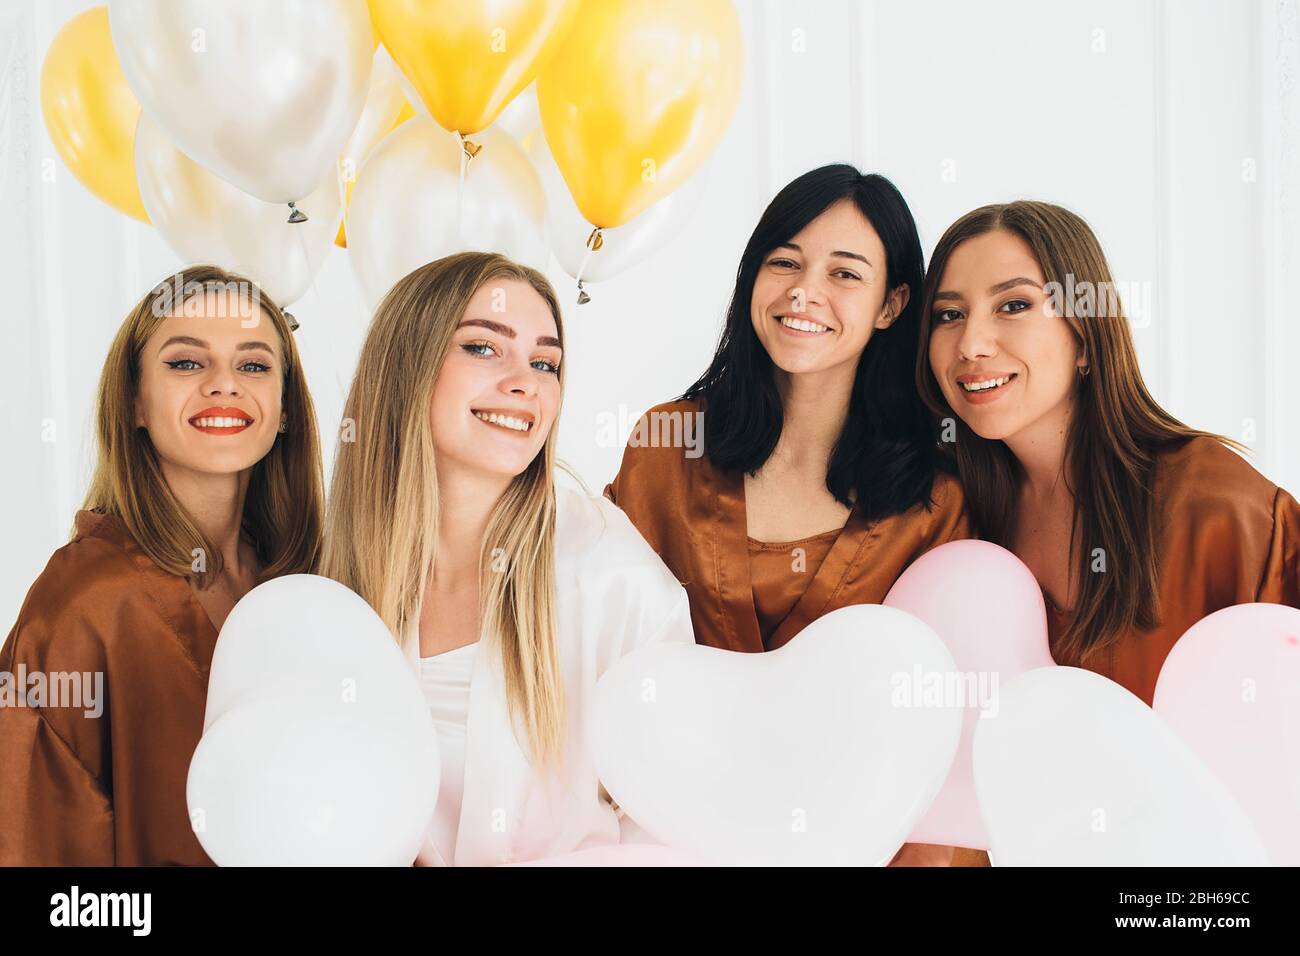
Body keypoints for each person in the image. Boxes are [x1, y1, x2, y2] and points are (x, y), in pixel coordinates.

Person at [604, 165, 978, 866]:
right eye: (784, 262)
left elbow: (937, 743)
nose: (804, 292)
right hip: (669, 840)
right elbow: (590, 640)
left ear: (892, 304)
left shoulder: (936, 499)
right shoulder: (666, 449)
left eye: (845, 274)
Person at [320, 252, 694, 866]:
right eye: (484, 348)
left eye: (545, 362)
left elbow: (674, 821)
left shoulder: (606, 572)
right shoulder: (337, 584)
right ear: (406, 366)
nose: (527, 382)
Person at [0, 265, 324, 864]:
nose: (224, 384)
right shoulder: (82, 603)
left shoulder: (309, 590)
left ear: (285, 412)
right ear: (134, 403)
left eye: (253, 364)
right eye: (185, 363)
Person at [919, 199, 1300, 706]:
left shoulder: (1219, 506)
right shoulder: (951, 518)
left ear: (1086, 338)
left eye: (1014, 305)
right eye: (950, 314)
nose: (970, 343)